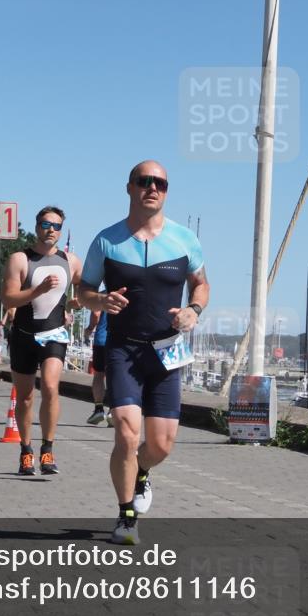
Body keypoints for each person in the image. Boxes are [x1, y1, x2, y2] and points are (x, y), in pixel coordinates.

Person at [78, 160, 208, 545]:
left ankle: (142, 472)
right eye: (144, 181)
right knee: (125, 430)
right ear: (130, 187)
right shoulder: (107, 241)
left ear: (166, 191)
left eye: (160, 183)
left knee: (161, 445)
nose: (152, 188)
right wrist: (100, 300)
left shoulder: (184, 239)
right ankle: (126, 516)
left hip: (167, 352)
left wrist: (193, 310)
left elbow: (201, 284)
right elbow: (84, 291)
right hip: (124, 349)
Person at [0, 206, 82, 476]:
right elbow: (8, 298)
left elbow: (85, 290)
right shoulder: (20, 259)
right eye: (46, 224)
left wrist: (82, 302)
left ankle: (48, 449)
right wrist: (38, 290)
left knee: (49, 386)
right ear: (37, 227)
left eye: (57, 226)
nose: (51, 230)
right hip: (23, 335)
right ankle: (26, 451)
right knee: (24, 398)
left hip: (54, 334)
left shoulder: (71, 261)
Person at [84, 310, 110, 425]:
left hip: (102, 339)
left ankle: (99, 409)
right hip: (120, 341)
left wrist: (90, 328)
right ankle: (113, 410)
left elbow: (96, 313)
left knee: (99, 374)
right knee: (115, 375)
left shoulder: (103, 298)